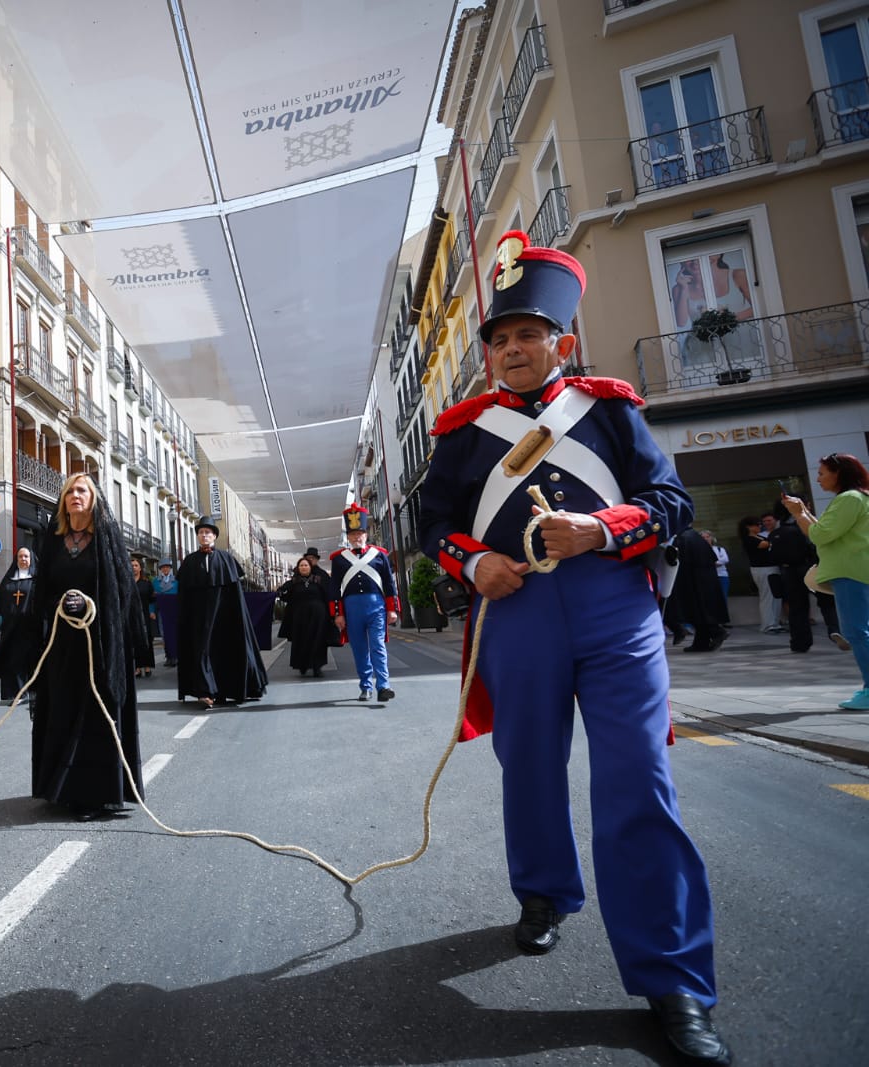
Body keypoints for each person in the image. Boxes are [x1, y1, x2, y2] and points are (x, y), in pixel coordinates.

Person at [416, 230, 730, 1065]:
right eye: (501, 339)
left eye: (528, 335)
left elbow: (671, 500)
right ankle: (546, 893)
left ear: (561, 342)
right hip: (514, 609)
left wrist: (600, 526)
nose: (514, 350)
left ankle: (674, 979)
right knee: (529, 765)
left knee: (637, 779)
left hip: (613, 607)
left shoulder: (609, 408)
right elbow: (431, 521)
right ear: (489, 355)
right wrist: (472, 559)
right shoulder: (462, 430)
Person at [0, 473, 143, 821]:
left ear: (93, 499)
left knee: (94, 714)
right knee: (62, 709)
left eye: (82, 491)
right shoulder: (54, 540)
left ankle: (96, 795)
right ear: (63, 500)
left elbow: (122, 590)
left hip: (99, 643)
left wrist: (89, 603)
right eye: (71, 491)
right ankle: (60, 788)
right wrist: (59, 607)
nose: (76, 496)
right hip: (62, 644)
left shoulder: (107, 538)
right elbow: (42, 592)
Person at [783, 453, 869, 709]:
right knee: (859, 630)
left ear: (838, 473)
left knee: (857, 631)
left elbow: (820, 536)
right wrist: (804, 512)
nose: (818, 478)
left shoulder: (849, 499)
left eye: (822, 473)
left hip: (850, 572)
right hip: (854, 571)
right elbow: (826, 532)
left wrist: (800, 514)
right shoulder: (856, 498)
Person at [176, 516, 268, 709]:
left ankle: (225, 691)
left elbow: (236, 594)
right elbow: (185, 594)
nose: (204, 536)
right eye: (201, 533)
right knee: (201, 651)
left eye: (208, 532)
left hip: (224, 617)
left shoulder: (227, 559)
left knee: (226, 652)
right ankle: (205, 691)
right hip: (200, 618)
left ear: (214, 536)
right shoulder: (190, 561)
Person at [327, 505, 400, 701]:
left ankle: (383, 686)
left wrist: (392, 609)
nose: (356, 537)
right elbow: (334, 589)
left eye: (360, 533)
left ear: (366, 535)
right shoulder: (339, 559)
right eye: (352, 534)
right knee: (359, 648)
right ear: (348, 537)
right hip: (351, 609)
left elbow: (388, 583)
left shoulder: (379, 555)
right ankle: (365, 685)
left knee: (378, 645)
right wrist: (338, 613)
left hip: (376, 606)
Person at [770, 499, 845, 653]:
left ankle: (799, 642)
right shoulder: (805, 527)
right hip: (811, 568)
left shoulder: (777, 532)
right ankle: (835, 630)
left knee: (797, 607)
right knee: (826, 602)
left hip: (789, 572)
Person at [0, 546, 37, 701]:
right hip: (11, 628)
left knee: (32, 660)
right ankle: (16, 693)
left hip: (31, 628)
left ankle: (34, 692)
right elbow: (0, 601)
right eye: (20, 557)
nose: (23, 559)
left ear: (31, 559)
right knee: (13, 660)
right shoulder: (8, 580)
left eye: (26, 557)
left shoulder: (37, 580)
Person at [668, 527, 728, 653]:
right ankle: (702, 642)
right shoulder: (692, 537)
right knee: (699, 610)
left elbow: (678, 561)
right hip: (702, 580)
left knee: (696, 609)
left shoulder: (683, 538)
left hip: (694, 582)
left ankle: (715, 632)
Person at [275, 557, 329, 677]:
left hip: (318, 617)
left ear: (310, 567)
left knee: (318, 641)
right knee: (301, 641)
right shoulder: (293, 582)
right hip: (299, 617)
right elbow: (284, 595)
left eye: (306, 565)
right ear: (298, 568)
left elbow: (327, 595)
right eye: (301, 566)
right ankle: (302, 665)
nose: (304, 567)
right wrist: (279, 592)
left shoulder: (318, 580)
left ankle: (317, 666)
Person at [738, 515, 781, 632]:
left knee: (775, 597)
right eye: (757, 524)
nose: (759, 526)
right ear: (749, 527)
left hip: (771, 568)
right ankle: (768, 624)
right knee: (767, 596)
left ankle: (775, 623)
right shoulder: (749, 539)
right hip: (762, 569)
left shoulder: (759, 537)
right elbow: (768, 544)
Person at [131, 558, 156, 677]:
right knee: (134, 640)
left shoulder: (146, 583)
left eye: (136, 565)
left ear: (140, 568)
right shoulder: (127, 582)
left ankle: (147, 666)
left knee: (146, 639)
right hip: (131, 615)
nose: (133, 567)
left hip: (144, 615)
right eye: (131, 565)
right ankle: (137, 667)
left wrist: (152, 612)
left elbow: (152, 599)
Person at [152, 558, 180, 666]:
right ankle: (168, 656)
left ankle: (176, 656)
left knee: (175, 634)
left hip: (174, 611)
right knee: (164, 634)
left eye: (167, 567)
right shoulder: (155, 582)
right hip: (162, 611)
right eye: (163, 567)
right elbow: (153, 599)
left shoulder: (177, 581)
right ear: (160, 569)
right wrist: (152, 611)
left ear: (170, 568)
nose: (165, 569)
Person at [704, 531, 729, 601]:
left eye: (707, 537)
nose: (706, 539)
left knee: (723, 597)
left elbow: (725, 559)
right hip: (707, 577)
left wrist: (710, 564)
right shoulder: (698, 551)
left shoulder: (720, 549)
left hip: (722, 576)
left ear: (712, 538)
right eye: (703, 537)